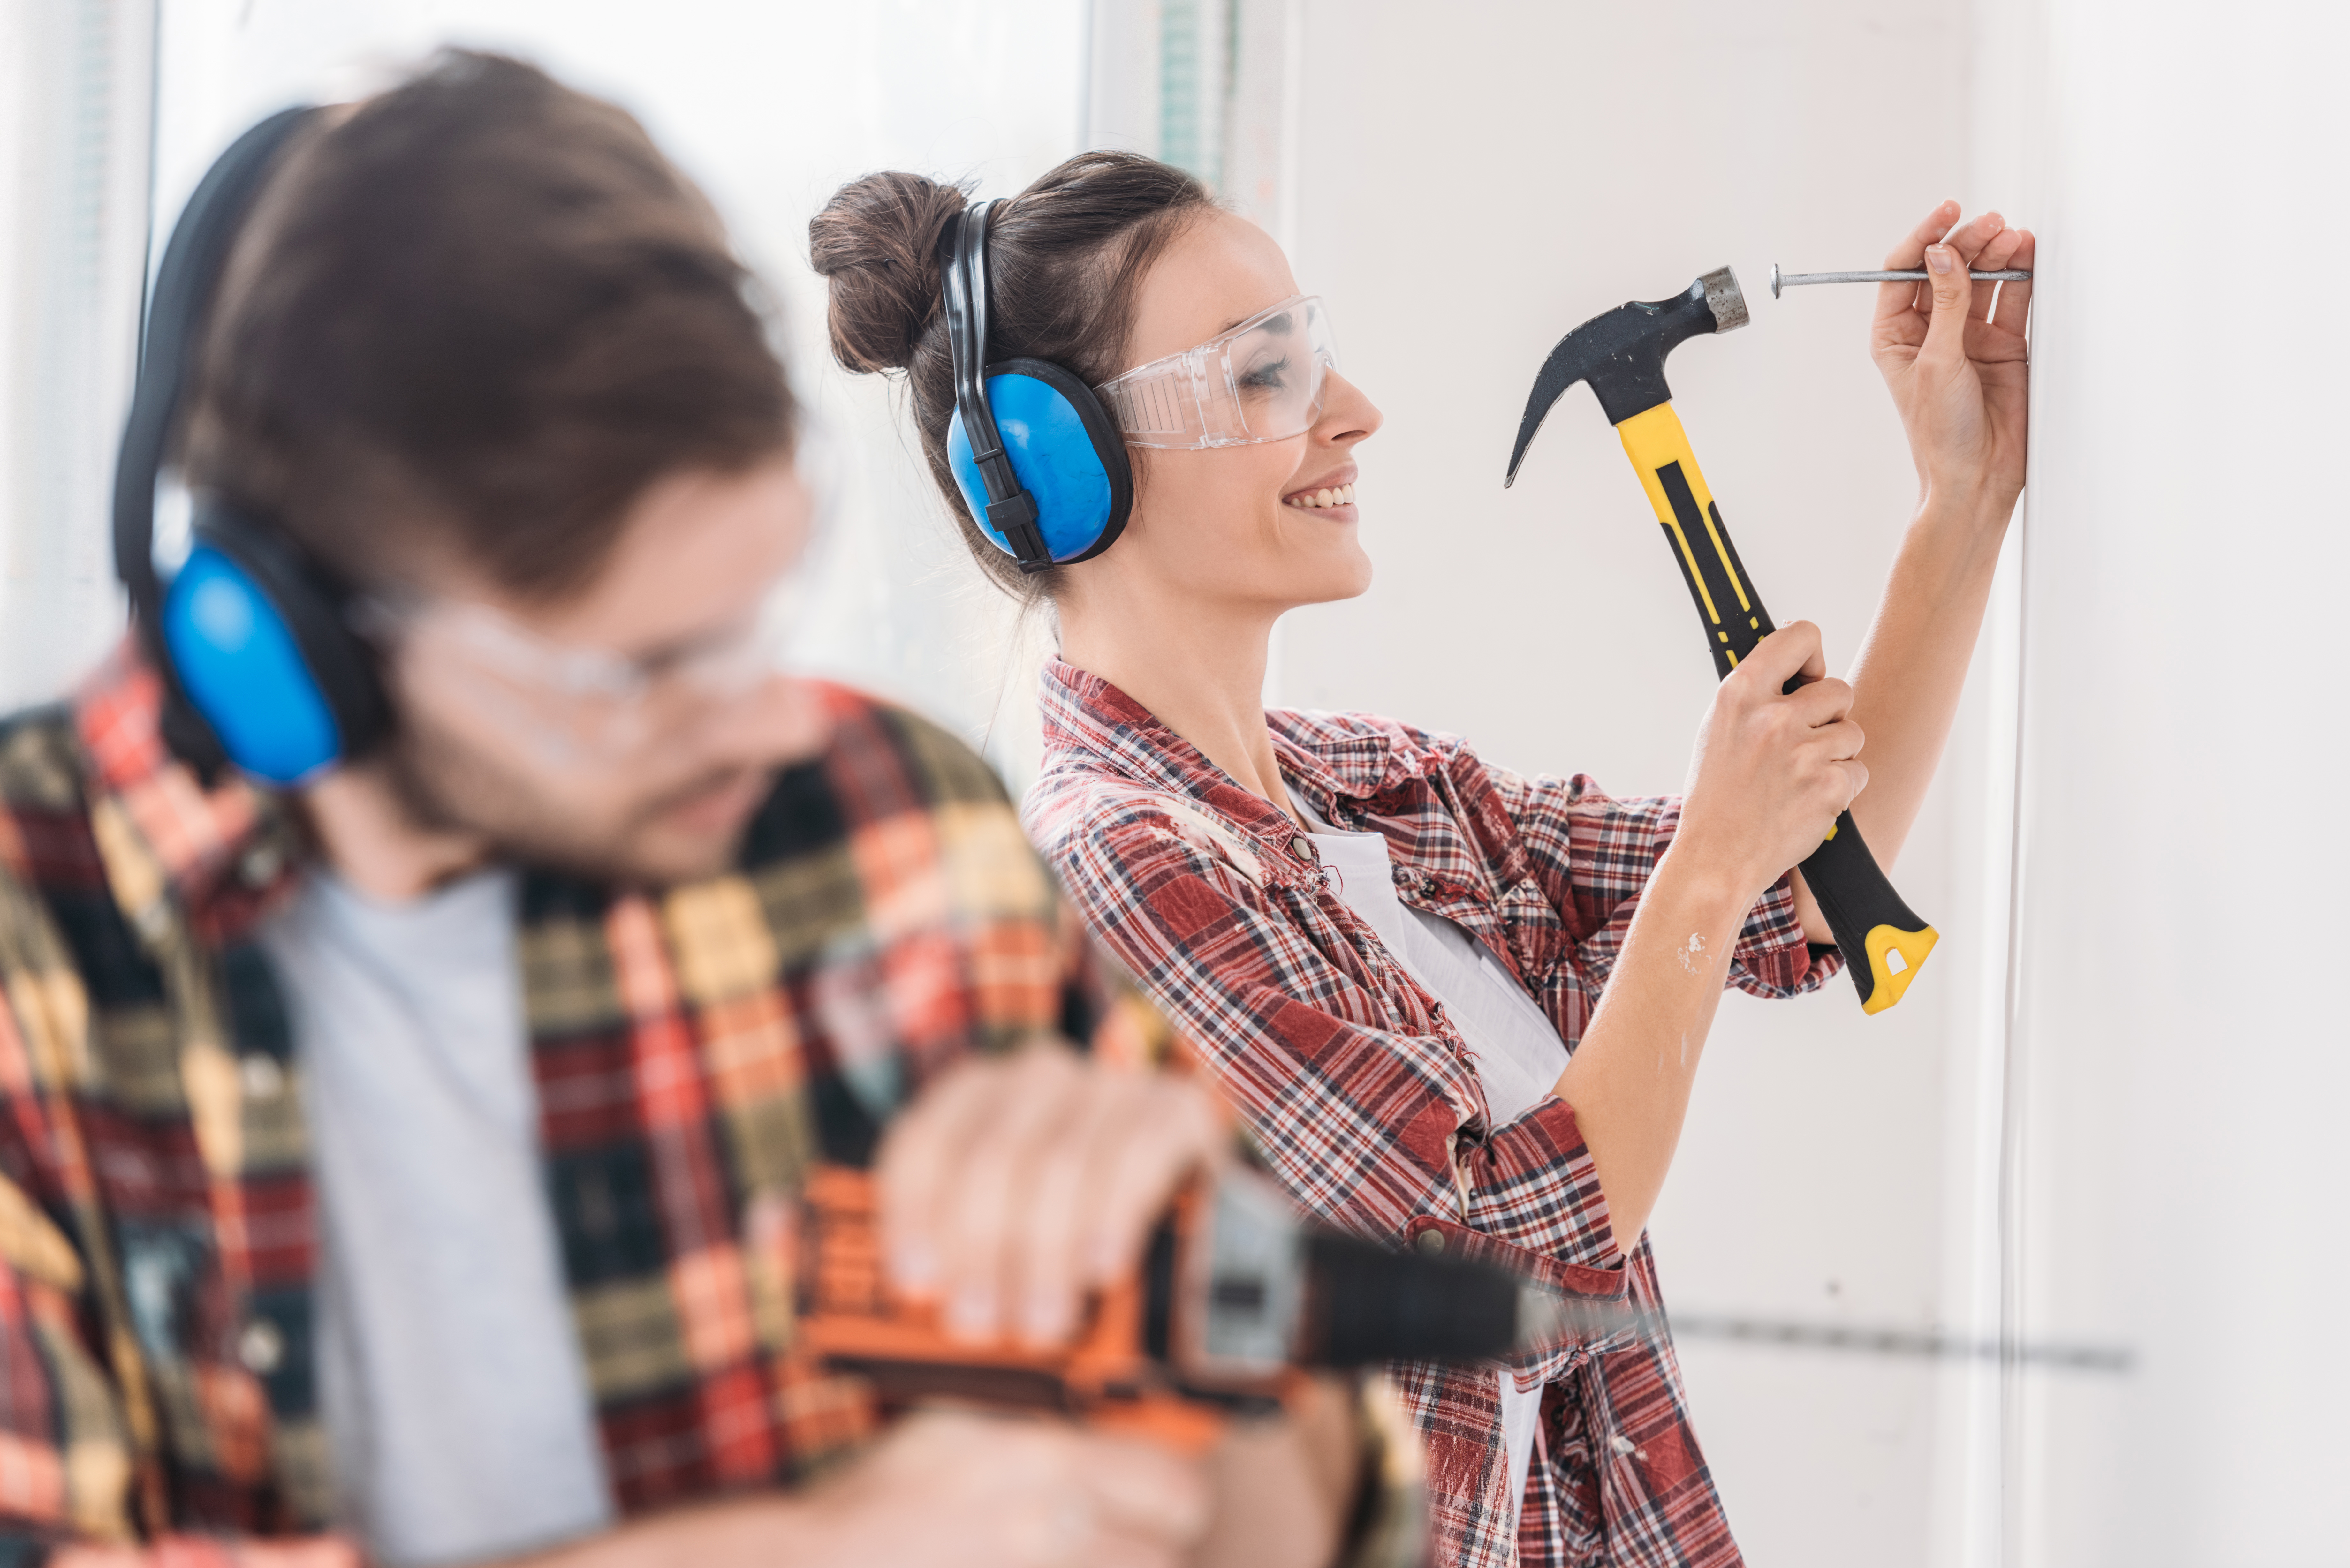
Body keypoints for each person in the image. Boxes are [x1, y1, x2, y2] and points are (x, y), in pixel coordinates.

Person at [0, 56, 1370, 1568]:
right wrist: (826, 1543)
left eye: (761, 608)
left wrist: (1218, 1373)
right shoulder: (38, 938)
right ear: (302, 652)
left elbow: (1315, 1519)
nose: (775, 722)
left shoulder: (877, 831)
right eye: (652, 669)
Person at [810, 152, 2031, 1567]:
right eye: (1262, 377)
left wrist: (1963, 495)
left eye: (1309, 353)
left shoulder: (1363, 794)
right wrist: (1712, 853)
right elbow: (1515, 1262)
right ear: (1058, 466)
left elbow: (1811, 877)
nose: (1353, 413)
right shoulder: (1108, 889)